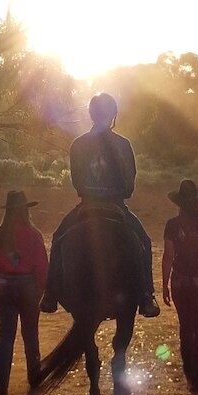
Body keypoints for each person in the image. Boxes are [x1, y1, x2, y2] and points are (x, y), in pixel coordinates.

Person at [41, 92, 161, 318]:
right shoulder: (123, 144)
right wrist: (117, 192)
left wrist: (91, 191)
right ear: (113, 114)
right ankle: (146, 295)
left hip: (86, 204)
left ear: (91, 114)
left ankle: (50, 293)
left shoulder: (78, 144)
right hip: (116, 206)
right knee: (144, 242)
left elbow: (76, 180)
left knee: (58, 238)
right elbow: (129, 183)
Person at [161, 179, 198, 392]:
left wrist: (164, 283)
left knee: (186, 327)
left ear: (179, 203)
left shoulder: (173, 224)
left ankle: (189, 372)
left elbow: (168, 256)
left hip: (181, 283)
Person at [0, 189, 48, 395]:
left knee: (5, 337)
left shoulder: (0, 234)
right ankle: (34, 378)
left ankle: (1, 387)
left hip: (4, 287)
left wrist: (1, 282)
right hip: (27, 288)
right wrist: (41, 288)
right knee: (30, 335)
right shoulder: (33, 235)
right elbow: (42, 266)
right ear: (25, 210)